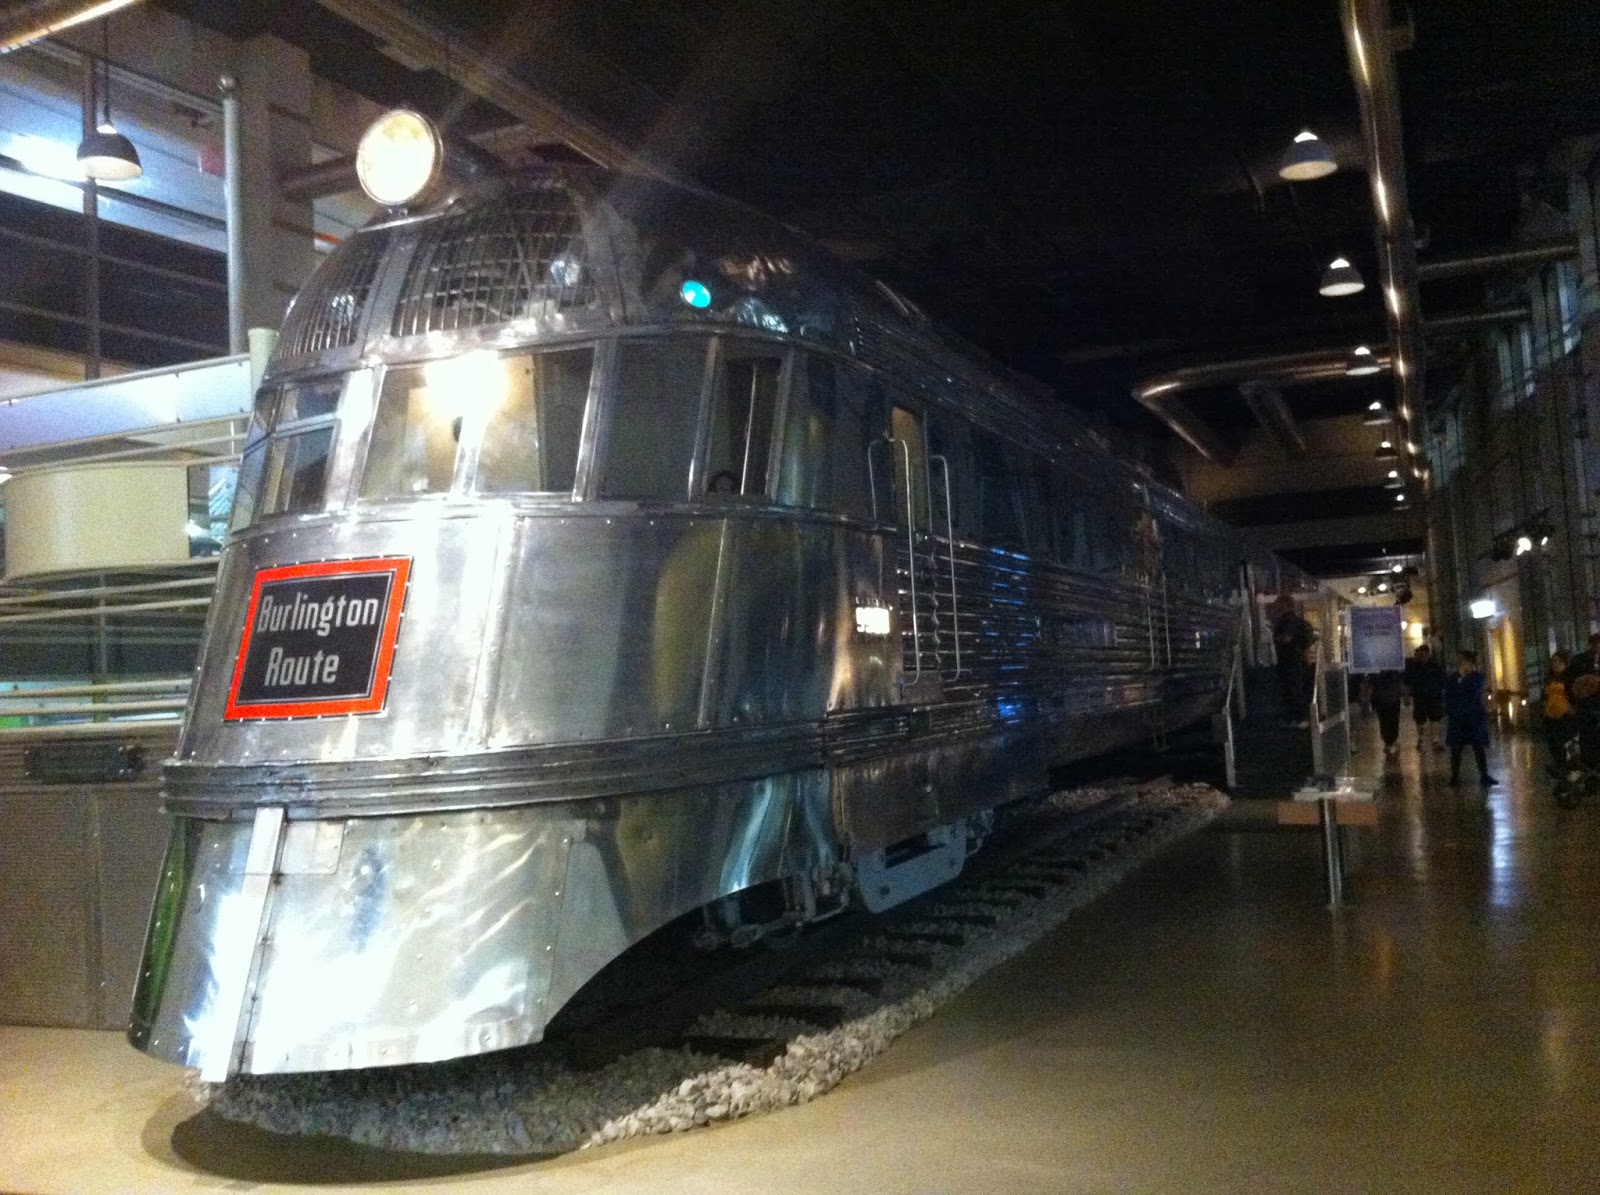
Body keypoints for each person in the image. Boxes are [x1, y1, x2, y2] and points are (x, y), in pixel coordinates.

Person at [1445, 649, 1496, 787]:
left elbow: (1475, 692)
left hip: (1474, 717)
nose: (1461, 664)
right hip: (1458, 717)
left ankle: (1484, 775)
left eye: (1464, 661)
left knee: (1478, 746)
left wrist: (1463, 679)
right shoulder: (1452, 678)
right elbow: (1449, 694)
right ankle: (1455, 776)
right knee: (1456, 748)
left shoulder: (1478, 677)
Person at [1271, 596, 1316, 728]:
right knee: (1295, 689)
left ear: (1285, 605)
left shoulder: (1287, 621)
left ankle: (1295, 717)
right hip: (1296, 660)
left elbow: (1286, 639)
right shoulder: (1297, 622)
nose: (1276, 607)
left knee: (1292, 690)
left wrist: (1276, 638)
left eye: (1279, 604)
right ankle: (1299, 718)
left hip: (1290, 660)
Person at [1541, 650, 1577, 777]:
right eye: (1553, 661)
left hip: (1565, 716)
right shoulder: (1549, 679)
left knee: (1562, 743)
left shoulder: (1569, 678)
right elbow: (1544, 695)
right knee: (1553, 743)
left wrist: (1572, 709)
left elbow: (1574, 696)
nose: (1555, 664)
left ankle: (1565, 768)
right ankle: (1559, 766)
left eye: (1558, 662)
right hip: (1550, 715)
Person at [1404, 644, 1447, 751]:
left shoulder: (1434, 666)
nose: (1421, 655)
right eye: (1419, 653)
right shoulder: (1414, 667)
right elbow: (1408, 682)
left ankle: (1435, 741)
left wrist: (1442, 692)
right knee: (1420, 720)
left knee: (1435, 719)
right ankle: (1421, 740)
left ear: (1427, 653)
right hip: (1420, 697)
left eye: (1423, 653)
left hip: (1433, 697)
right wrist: (1407, 695)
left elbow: (1442, 680)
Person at [1371, 668, 1406, 757]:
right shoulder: (1395, 670)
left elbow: (1373, 684)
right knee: (1393, 721)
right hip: (1392, 700)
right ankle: (1391, 742)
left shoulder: (1377, 671)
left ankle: (1388, 742)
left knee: (1384, 722)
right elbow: (1400, 682)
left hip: (1382, 700)